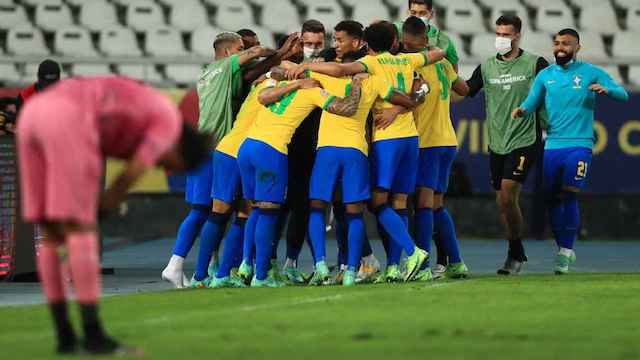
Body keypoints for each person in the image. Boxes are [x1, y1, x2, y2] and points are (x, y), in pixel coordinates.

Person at [16, 76, 210, 355]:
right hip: (71, 121)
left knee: (51, 233)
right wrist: (107, 202)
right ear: (181, 149)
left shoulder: (144, 104)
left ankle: (65, 336)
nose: (166, 169)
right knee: (81, 230)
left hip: (32, 115)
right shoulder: (167, 120)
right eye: (175, 167)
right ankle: (93, 336)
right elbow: (133, 170)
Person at [287, 23, 445, 282]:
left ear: (366, 46)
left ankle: (325, 265)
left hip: (376, 141)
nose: (335, 44)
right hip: (403, 139)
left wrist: (305, 65)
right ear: (394, 41)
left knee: (330, 205)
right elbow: (433, 63)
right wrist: (413, 96)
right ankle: (389, 266)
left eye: (339, 40)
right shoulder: (401, 63)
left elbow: (336, 69)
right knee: (388, 205)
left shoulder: (360, 69)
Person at [162, 32, 275, 289]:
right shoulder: (225, 66)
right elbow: (255, 55)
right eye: (239, 49)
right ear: (227, 53)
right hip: (213, 149)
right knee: (207, 210)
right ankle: (176, 264)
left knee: (213, 210)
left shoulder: (208, 72)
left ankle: (206, 268)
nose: (242, 53)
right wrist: (274, 51)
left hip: (204, 147)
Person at [512, 28, 629, 274]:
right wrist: (522, 110)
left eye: (566, 43)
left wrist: (608, 90)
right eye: (557, 43)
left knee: (569, 194)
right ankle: (562, 247)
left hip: (580, 145)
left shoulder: (591, 73)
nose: (560, 47)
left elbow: (624, 95)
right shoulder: (545, 76)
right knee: (553, 198)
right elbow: (533, 101)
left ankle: (566, 252)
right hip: (553, 146)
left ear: (577, 47)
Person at [237, 69, 366, 287]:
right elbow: (347, 108)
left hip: (247, 148)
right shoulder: (313, 90)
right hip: (271, 151)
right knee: (268, 213)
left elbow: (262, 97)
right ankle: (261, 276)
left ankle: (246, 265)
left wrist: (294, 84)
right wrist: (355, 84)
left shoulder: (277, 85)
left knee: (256, 209)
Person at [302, 53, 421, 286]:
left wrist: (302, 70)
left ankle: (320, 265)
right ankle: (350, 273)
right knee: (354, 212)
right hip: (356, 150)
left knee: (317, 207)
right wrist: (418, 88)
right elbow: (409, 100)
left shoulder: (324, 76)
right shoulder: (374, 81)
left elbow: (283, 71)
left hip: (328, 150)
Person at [462, 15, 549, 276]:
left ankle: (514, 255)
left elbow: (553, 89)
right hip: (497, 141)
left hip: (525, 138)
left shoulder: (536, 64)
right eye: (498, 33)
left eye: (506, 34)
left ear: (518, 35)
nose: (501, 38)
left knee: (509, 192)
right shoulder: (487, 67)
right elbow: (466, 90)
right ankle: (516, 249)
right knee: (502, 201)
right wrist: (443, 76)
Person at [397, 16, 470, 280]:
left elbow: (410, 100)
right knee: (437, 204)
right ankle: (457, 262)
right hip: (447, 140)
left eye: (409, 44)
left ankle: (423, 267)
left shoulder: (410, 65)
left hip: (426, 141)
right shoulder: (441, 62)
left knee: (424, 204)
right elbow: (463, 88)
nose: (408, 48)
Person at [280, 20, 327, 284]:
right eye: (308, 43)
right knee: (278, 206)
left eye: (318, 44)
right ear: (300, 43)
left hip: (316, 146)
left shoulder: (332, 60)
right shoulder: (291, 60)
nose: (313, 48)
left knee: (305, 205)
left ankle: (291, 262)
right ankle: (262, 263)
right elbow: (274, 69)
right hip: (286, 143)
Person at [394, 0, 459, 71]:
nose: (417, 17)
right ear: (408, 13)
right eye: (413, 13)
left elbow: (454, 71)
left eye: (422, 13)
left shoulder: (443, 40)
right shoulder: (395, 31)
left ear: (431, 14)